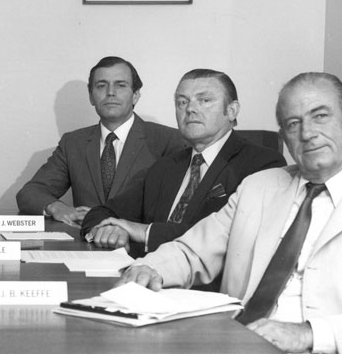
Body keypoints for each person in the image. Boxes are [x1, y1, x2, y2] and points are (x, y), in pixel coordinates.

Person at [118, 73, 342, 354]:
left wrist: (309, 333)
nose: (307, 133)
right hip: (233, 349)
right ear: (283, 136)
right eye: (293, 123)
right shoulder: (258, 187)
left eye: (321, 116)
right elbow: (192, 250)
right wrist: (150, 267)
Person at [81, 69, 285, 257]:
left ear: (232, 110)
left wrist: (145, 232)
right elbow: (103, 212)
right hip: (145, 279)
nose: (191, 109)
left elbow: (234, 237)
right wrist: (109, 229)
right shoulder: (166, 166)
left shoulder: (261, 164)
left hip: (209, 291)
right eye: (182, 102)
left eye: (204, 100)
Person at [16, 56, 184, 224]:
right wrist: (56, 207)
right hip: (85, 246)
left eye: (121, 85)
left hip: (141, 247)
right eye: (101, 86)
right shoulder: (73, 143)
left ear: (135, 96)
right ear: (91, 96)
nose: (111, 92)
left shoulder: (169, 140)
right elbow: (30, 192)